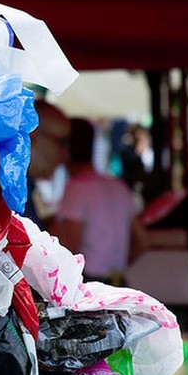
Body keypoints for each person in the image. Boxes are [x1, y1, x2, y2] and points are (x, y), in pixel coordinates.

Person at [56, 117, 147, 285]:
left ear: (65, 149)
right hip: (119, 282)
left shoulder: (76, 189)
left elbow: (69, 251)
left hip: (89, 284)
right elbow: (142, 242)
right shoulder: (118, 186)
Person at [26, 98, 71, 229]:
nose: (65, 154)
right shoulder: (2, 190)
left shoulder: (21, 188)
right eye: (61, 143)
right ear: (32, 136)